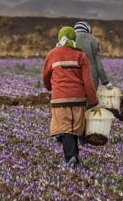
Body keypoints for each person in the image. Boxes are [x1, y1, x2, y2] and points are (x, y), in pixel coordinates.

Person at [42, 26, 98, 167]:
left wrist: (51, 87)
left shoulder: (53, 54)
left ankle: (71, 156)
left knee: (65, 127)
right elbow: (88, 81)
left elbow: (45, 76)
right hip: (78, 98)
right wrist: (92, 100)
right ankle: (75, 156)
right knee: (75, 127)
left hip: (60, 98)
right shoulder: (80, 55)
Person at [74, 21, 112, 90]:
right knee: (91, 96)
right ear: (88, 29)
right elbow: (99, 64)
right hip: (91, 77)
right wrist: (105, 82)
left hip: (75, 75)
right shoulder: (94, 40)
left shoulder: (70, 40)